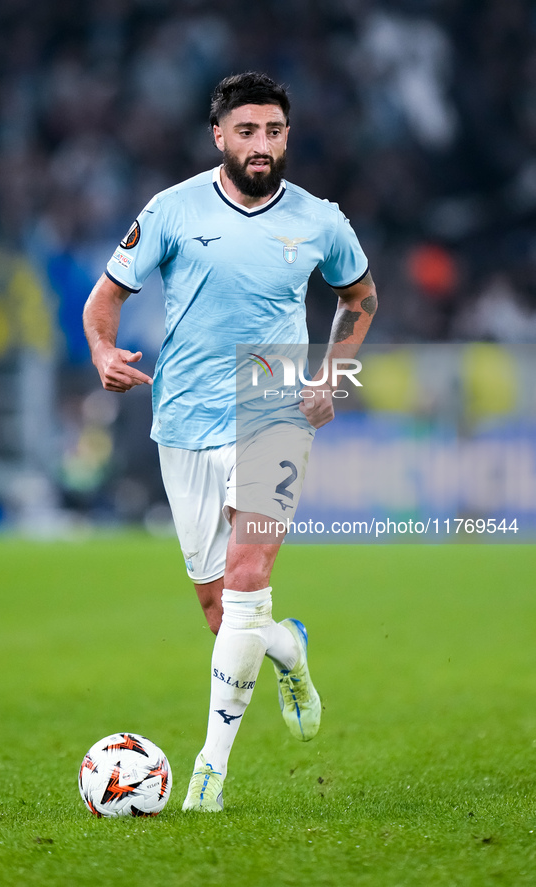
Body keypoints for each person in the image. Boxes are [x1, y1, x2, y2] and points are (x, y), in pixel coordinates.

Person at [83, 72, 377, 812]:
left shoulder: (319, 219)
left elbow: (360, 296)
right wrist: (101, 353)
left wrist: (332, 374)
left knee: (247, 583)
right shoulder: (172, 209)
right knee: (222, 613)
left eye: (272, 132)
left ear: (286, 137)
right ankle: (289, 649)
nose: (260, 144)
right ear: (219, 135)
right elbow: (106, 298)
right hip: (182, 412)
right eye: (246, 131)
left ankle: (208, 773)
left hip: (271, 393)